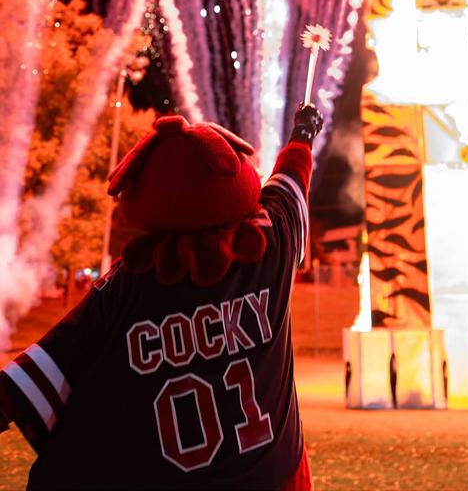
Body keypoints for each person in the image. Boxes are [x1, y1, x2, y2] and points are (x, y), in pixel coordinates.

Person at [0, 103, 324, 490]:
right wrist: (302, 135)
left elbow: (30, 380)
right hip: (270, 474)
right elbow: (288, 183)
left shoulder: (126, 285)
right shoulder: (267, 248)